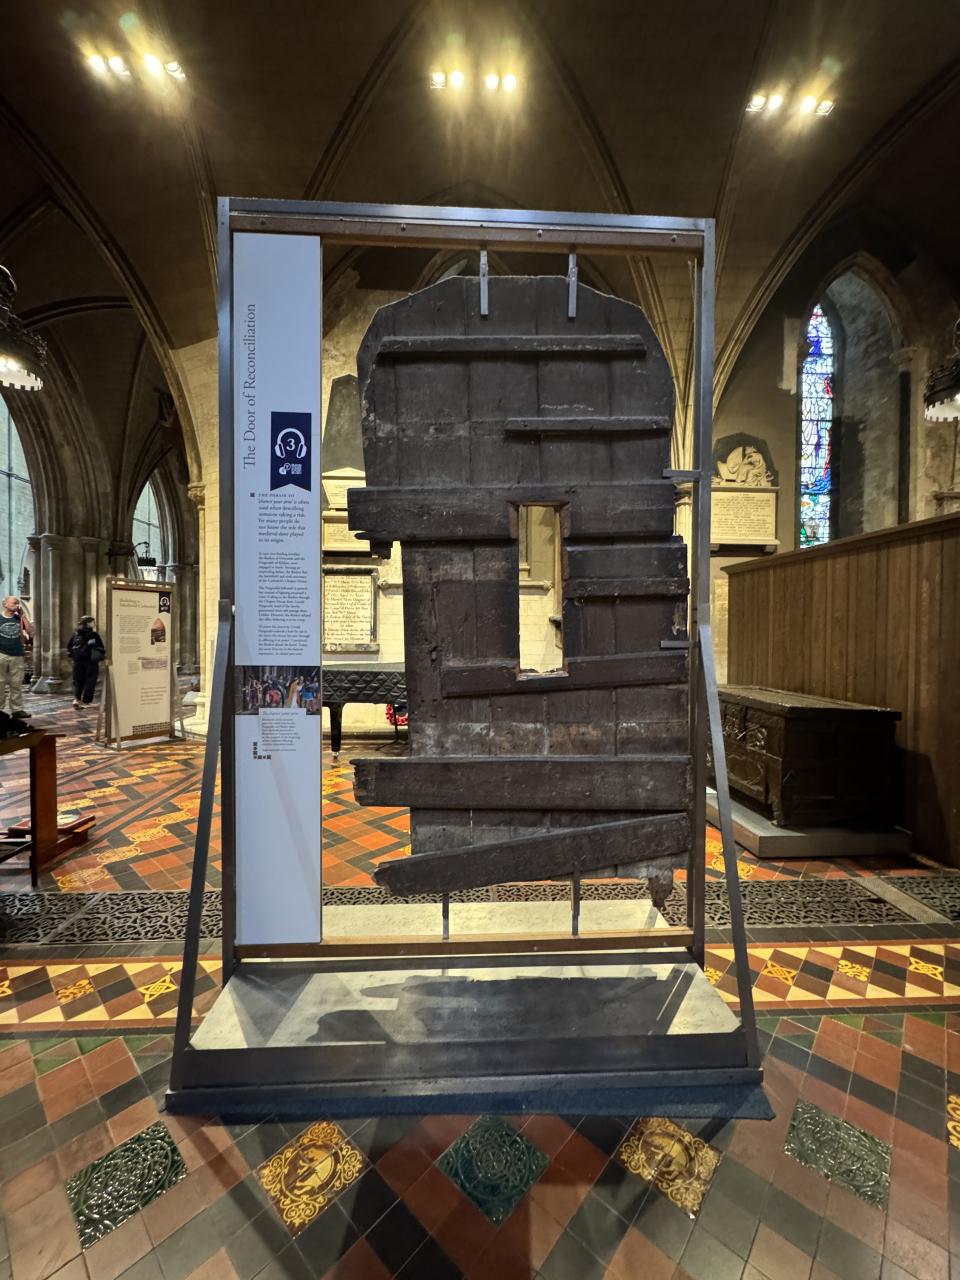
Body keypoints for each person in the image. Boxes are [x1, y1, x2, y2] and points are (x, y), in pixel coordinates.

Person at [0, 595, 33, 720]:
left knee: (16, 683)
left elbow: (31, 631)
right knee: (0, 682)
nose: (17, 605)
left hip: (17, 654)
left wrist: (23, 616)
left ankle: (17, 709)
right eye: (14, 602)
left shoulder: (18, 618)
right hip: (1, 653)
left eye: (18, 603)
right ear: (5, 604)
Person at [66, 614, 105, 710]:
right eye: (93, 622)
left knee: (78, 680)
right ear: (88, 624)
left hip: (77, 661)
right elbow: (100, 648)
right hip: (90, 661)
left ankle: (77, 699)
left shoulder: (76, 634)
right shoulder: (93, 635)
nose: (94, 624)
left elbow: (69, 647)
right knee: (90, 681)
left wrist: (75, 656)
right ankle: (86, 701)